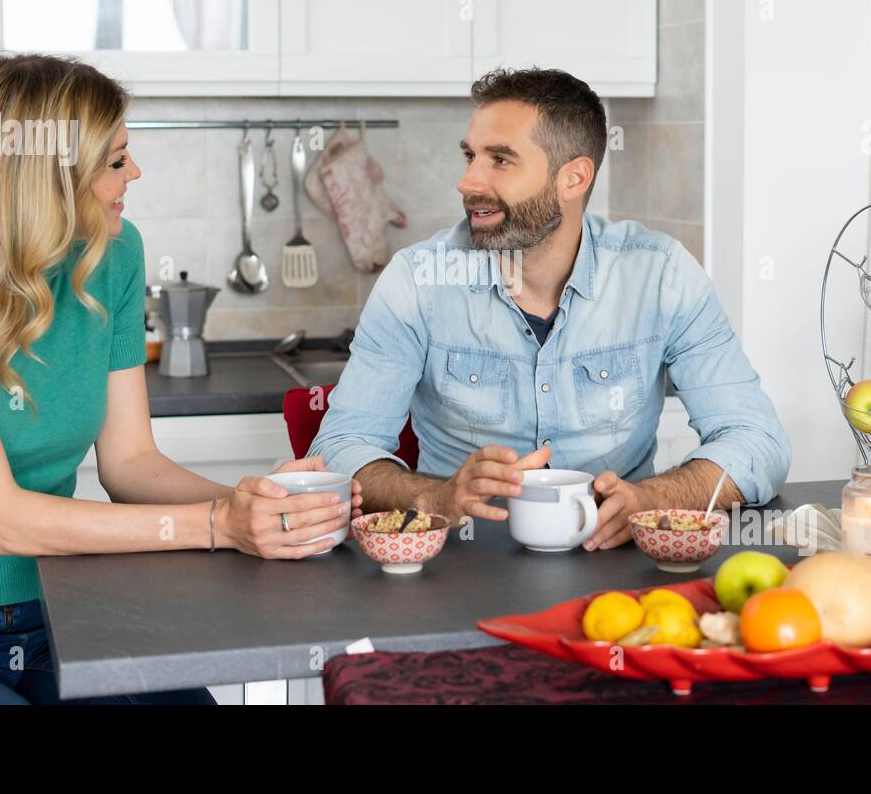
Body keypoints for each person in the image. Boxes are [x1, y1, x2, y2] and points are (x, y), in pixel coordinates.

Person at [0, 53, 359, 705]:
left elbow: (130, 463)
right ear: (45, 178)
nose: (134, 173)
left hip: (65, 615)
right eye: (115, 161)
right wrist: (222, 523)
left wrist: (266, 508)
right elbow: (2, 522)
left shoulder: (115, 252)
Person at [309, 67, 790, 550]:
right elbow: (338, 448)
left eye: (500, 160)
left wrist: (652, 499)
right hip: (460, 565)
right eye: (470, 156)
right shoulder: (416, 282)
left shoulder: (660, 276)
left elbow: (757, 440)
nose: (467, 181)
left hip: (619, 569)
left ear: (574, 178)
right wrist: (438, 498)